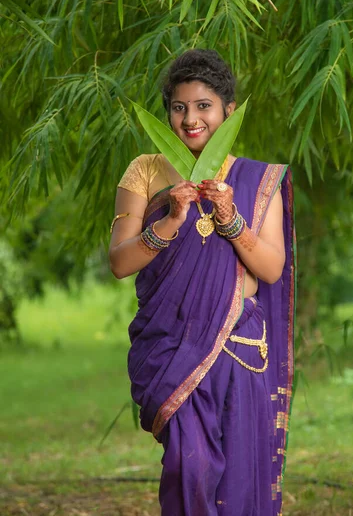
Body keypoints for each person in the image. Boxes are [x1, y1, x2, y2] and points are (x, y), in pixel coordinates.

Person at [109, 49, 296, 516]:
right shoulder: (146, 170)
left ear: (228, 112)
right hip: (173, 346)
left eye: (203, 106)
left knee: (237, 476)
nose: (190, 119)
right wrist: (172, 219)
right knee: (189, 468)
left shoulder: (256, 180)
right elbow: (119, 262)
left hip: (238, 347)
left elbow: (271, 269)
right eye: (178, 107)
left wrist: (231, 217)